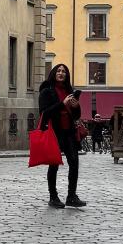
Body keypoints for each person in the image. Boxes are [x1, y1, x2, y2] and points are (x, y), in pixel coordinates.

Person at [37, 62, 85, 208]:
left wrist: (76, 107)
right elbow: (44, 112)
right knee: (54, 165)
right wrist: (62, 104)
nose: (61, 73)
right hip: (54, 132)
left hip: (69, 132)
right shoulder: (46, 91)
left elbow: (76, 115)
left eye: (64, 71)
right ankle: (53, 197)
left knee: (74, 163)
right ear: (54, 73)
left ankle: (72, 196)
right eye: (58, 71)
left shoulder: (69, 90)